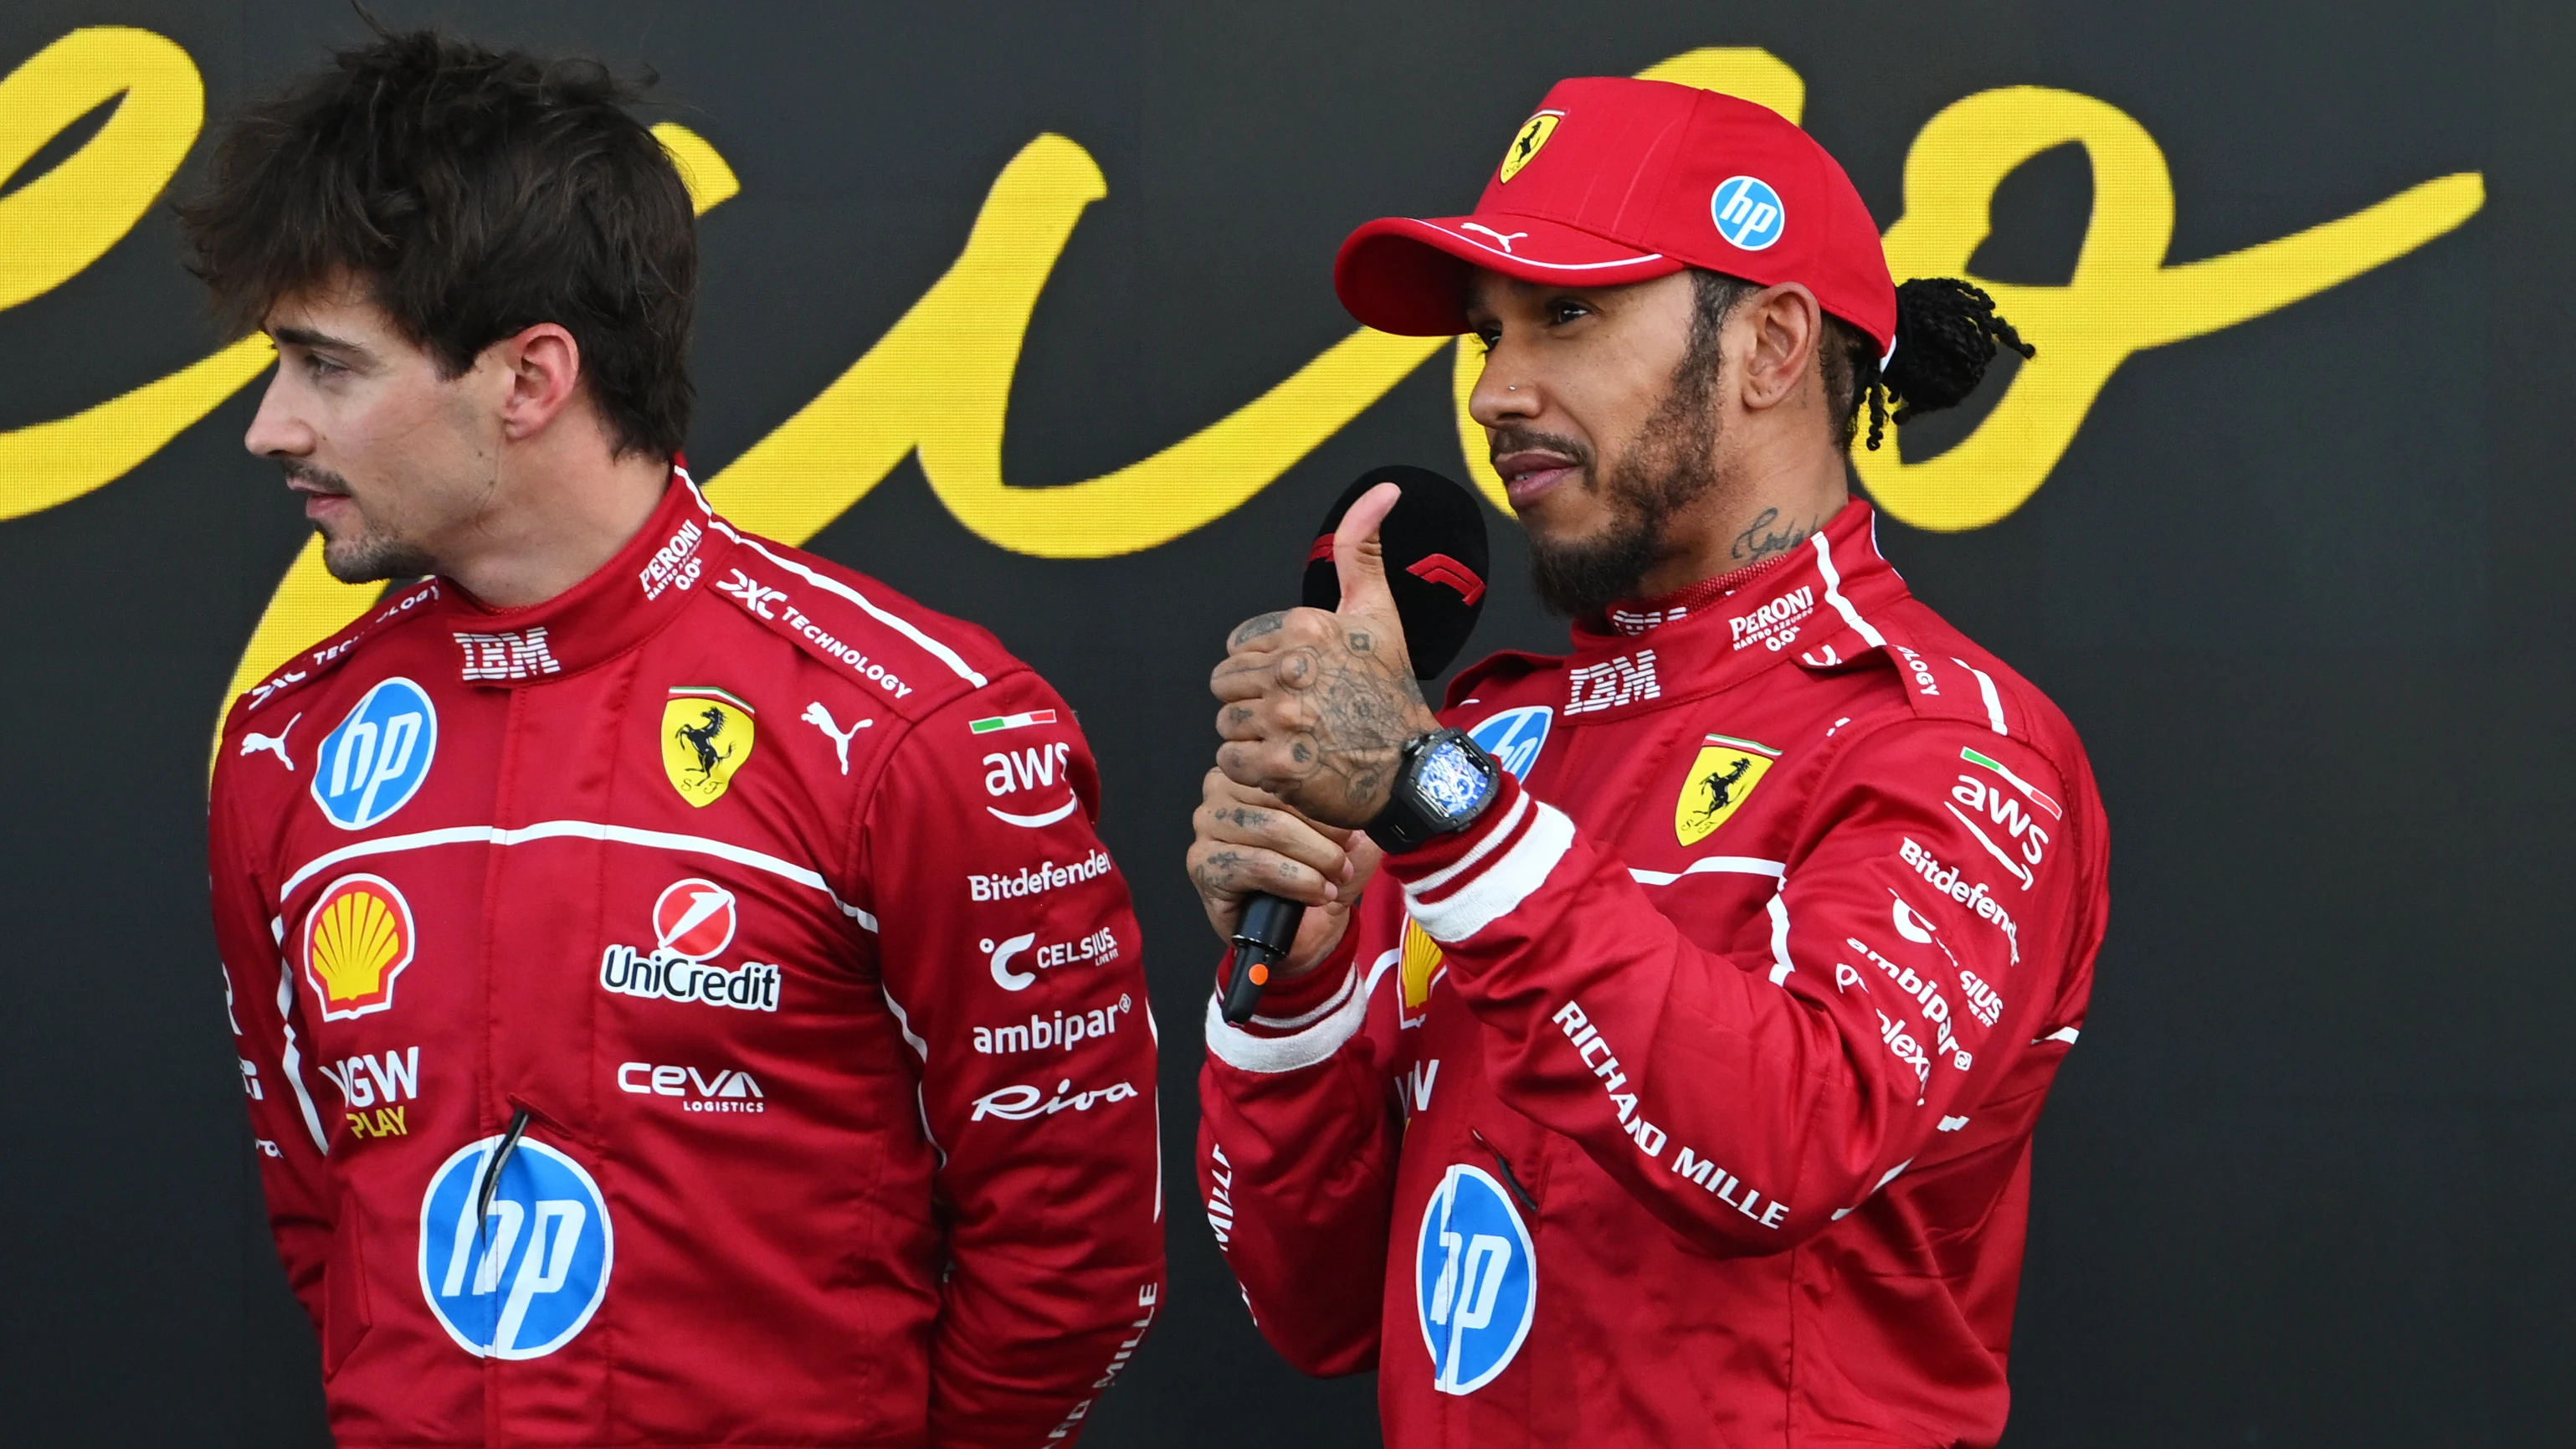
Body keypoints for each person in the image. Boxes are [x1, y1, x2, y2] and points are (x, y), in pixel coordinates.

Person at [192, 32, 1161, 1447]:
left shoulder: (910, 724)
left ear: (530, 379)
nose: (270, 426)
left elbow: (1073, 1256)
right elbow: (321, 1219)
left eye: (325, 366)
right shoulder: (288, 743)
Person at [1188, 75, 2106, 1446]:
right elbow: (1318, 1311)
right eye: (1483, 336)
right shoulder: (1495, 747)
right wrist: (1302, 987)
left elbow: (1785, 1148)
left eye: (1568, 315)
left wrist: (1439, 808)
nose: (1497, 392)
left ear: (1772, 346)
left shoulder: (1943, 737)